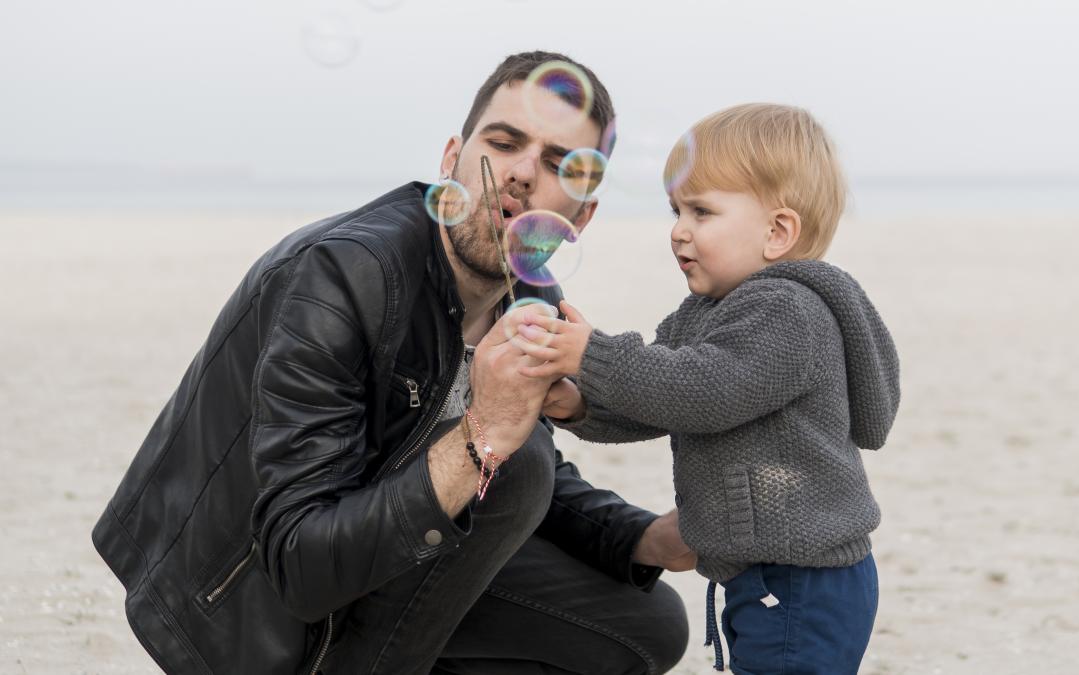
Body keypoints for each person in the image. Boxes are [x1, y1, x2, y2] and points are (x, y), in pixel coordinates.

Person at [92, 51, 690, 675]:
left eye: (557, 165)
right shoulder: (345, 276)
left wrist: (642, 539)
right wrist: (481, 438)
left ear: (581, 216)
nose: (519, 174)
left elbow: (524, 460)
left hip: (382, 550)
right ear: (450, 160)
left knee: (647, 626)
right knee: (512, 466)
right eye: (504, 142)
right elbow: (298, 563)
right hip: (244, 598)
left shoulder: (530, 294)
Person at [510, 103, 902, 674]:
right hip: (762, 569)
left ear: (778, 231)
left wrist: (589, 353)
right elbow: (661, 397)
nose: (678, 230)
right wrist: (581, 404)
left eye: (702, 211)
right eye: (675, 210)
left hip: (805, 577)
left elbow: (706, 390)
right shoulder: (709, 312)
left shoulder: (788, 309)